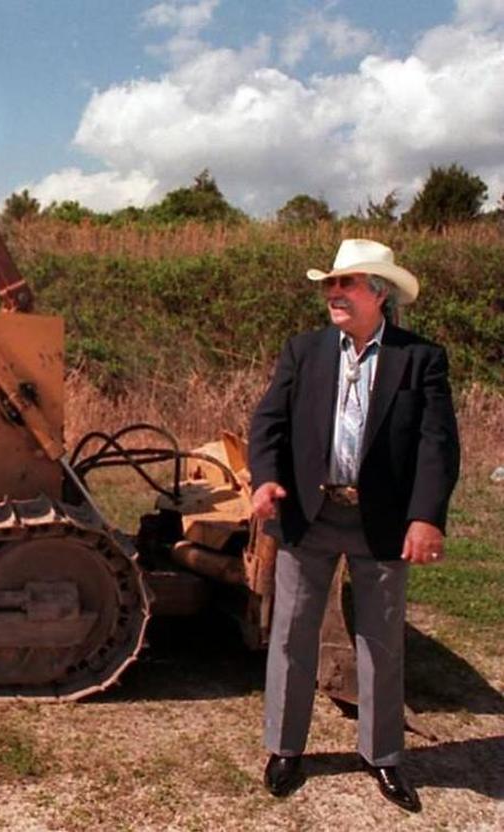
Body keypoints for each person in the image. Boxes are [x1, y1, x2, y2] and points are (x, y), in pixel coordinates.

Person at [249, 238, 460, 813]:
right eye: (330, 285)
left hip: (384, 520)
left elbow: (436, 446)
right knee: (292, 634)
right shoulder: (304, 351)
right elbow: (268, 422)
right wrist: (263, 479)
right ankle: (285, 749)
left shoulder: (421, 359)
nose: (334, 293)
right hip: (309, 516)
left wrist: (425, 517)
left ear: (380, 294)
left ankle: (383, 755)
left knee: (381, 640)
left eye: (347, 283)